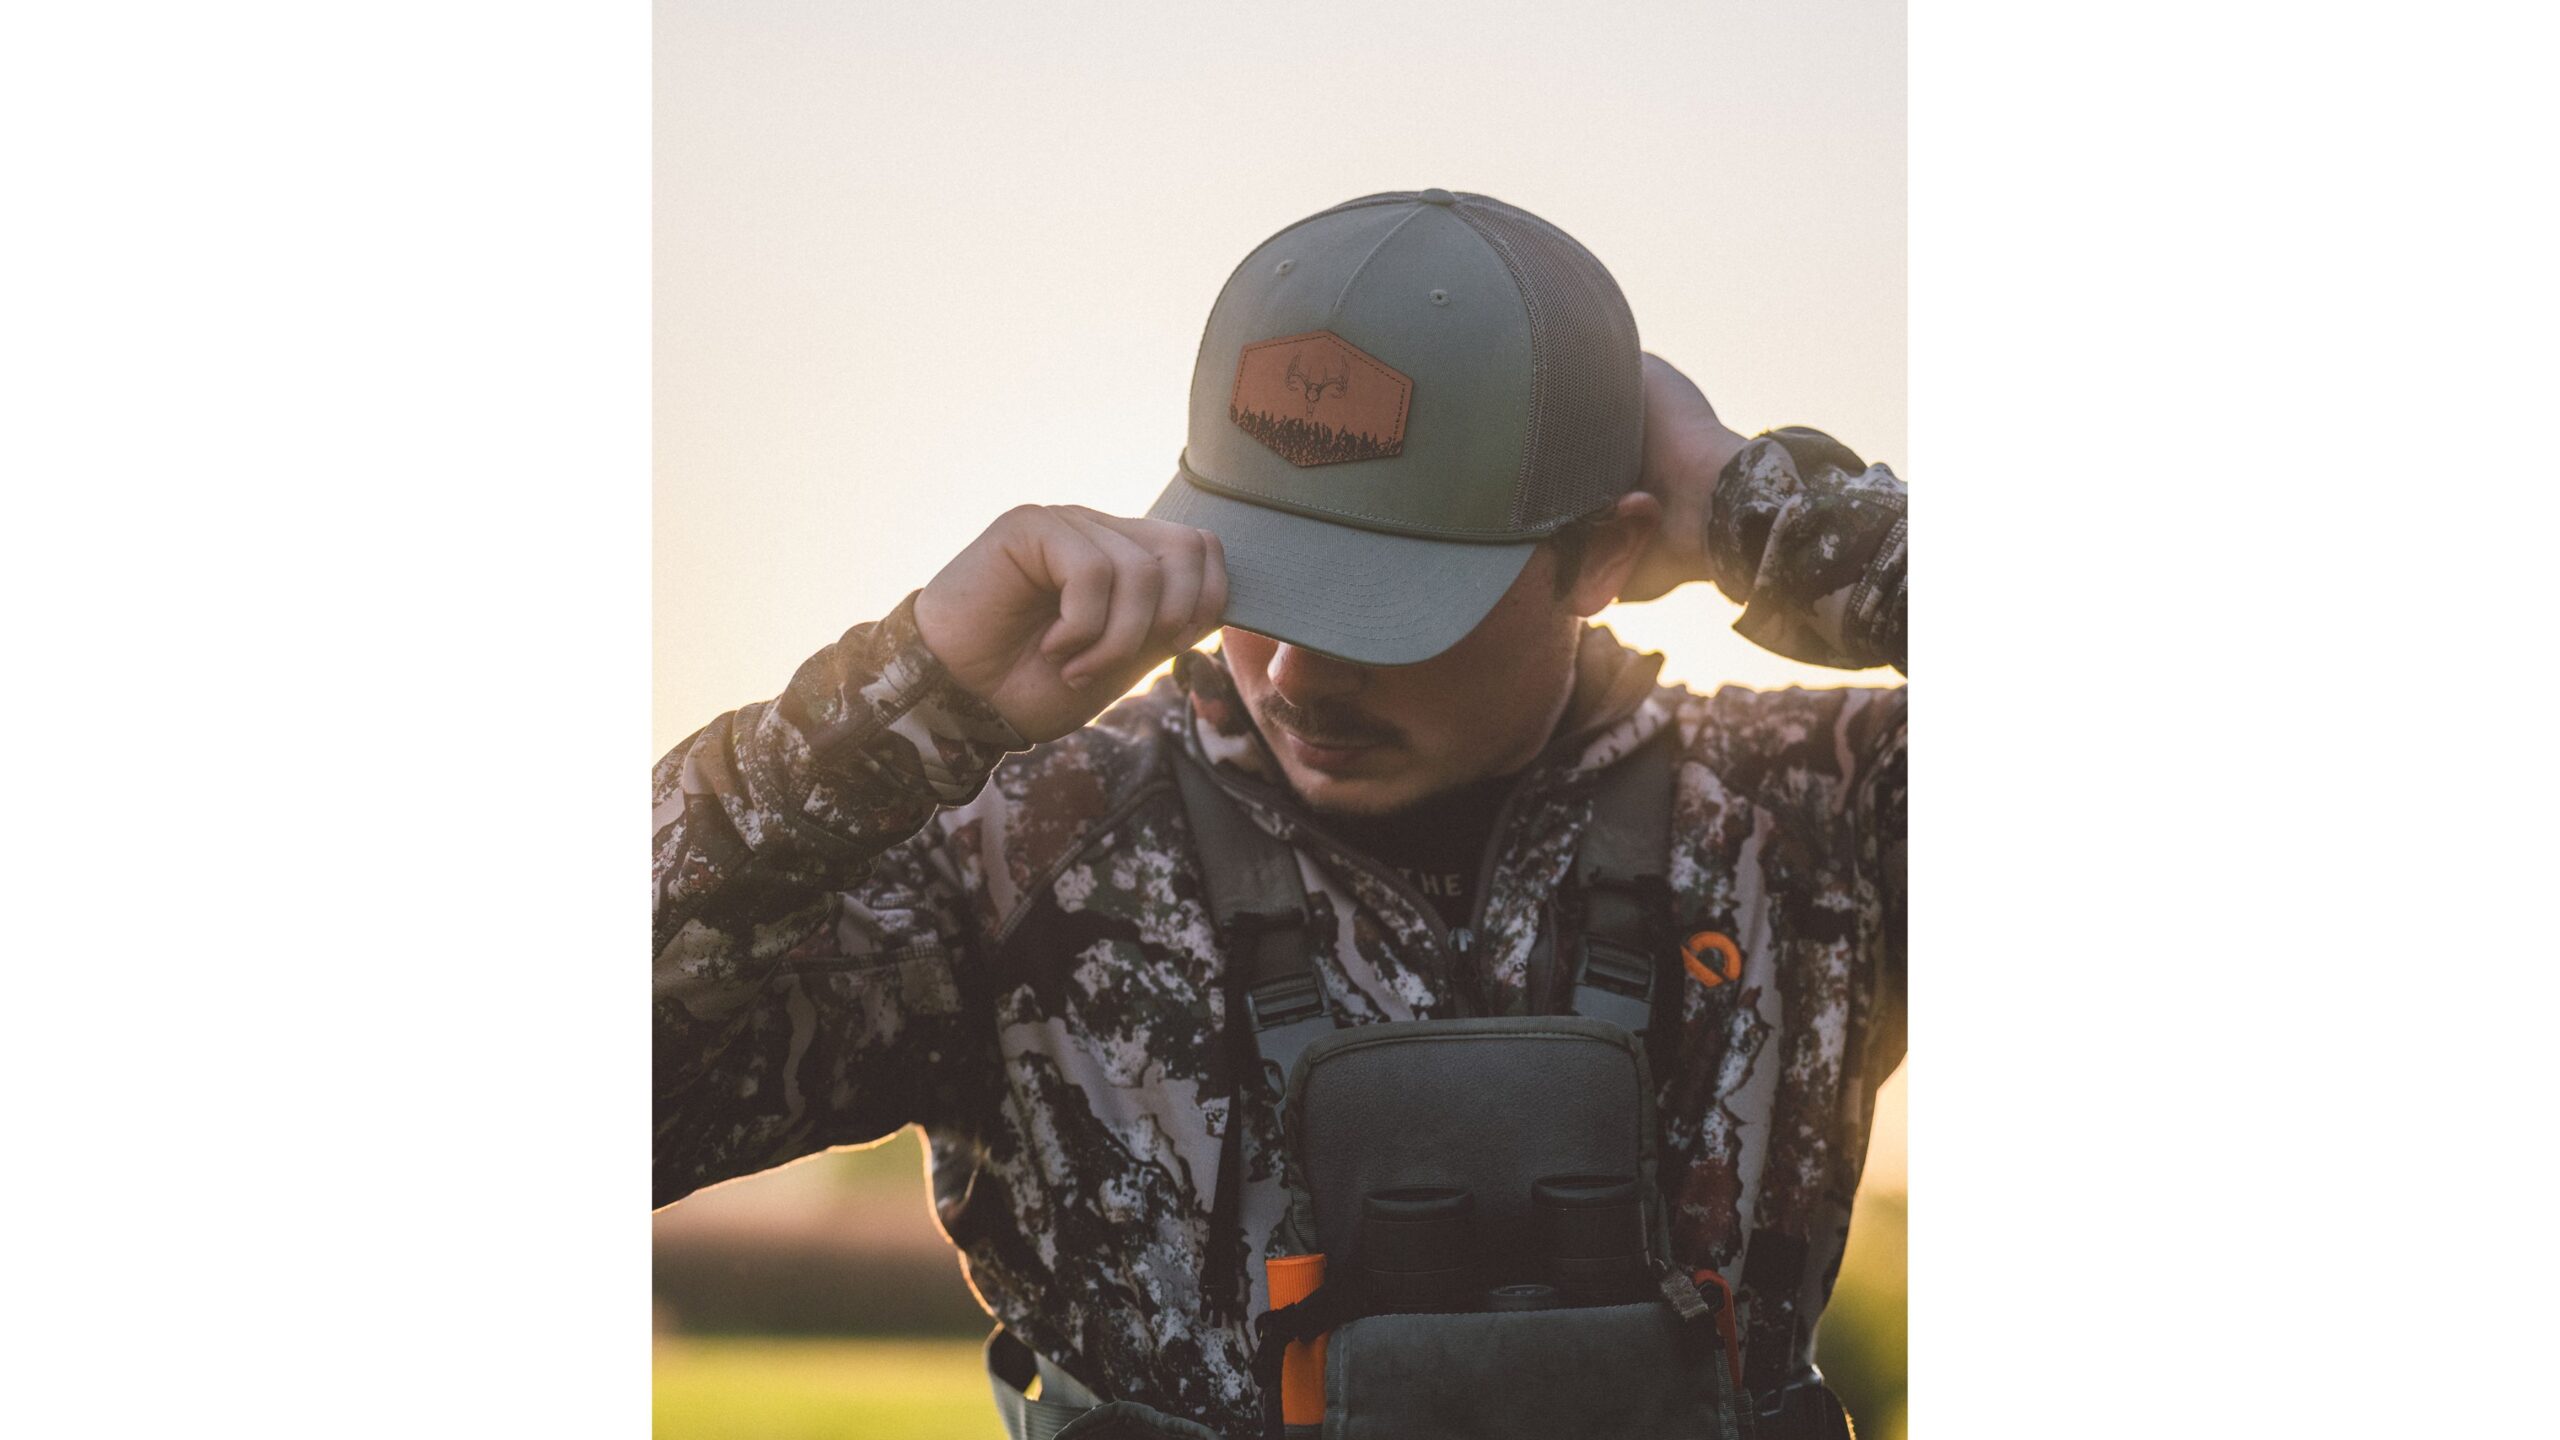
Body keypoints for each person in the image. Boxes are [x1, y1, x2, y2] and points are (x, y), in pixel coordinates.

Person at [654, 189, 1904, 1439]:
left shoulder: (1810, 821)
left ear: (1601, 559)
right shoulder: (1018, 845)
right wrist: (893, 709)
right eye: (1260, 574)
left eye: (1382, 606)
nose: (1297, 675)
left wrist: (1779, 520)